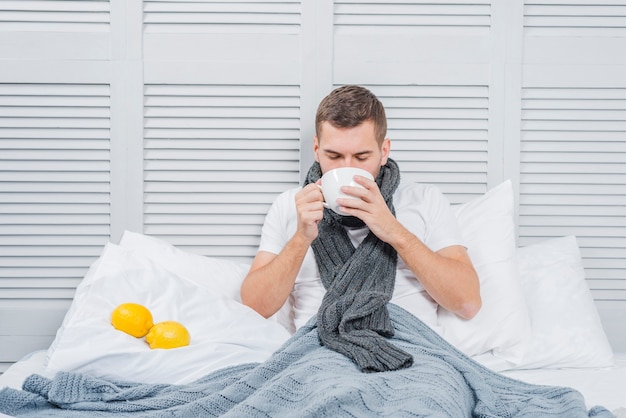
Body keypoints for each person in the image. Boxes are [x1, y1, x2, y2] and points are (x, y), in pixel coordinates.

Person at [241, 85, 481, 342]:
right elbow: (254, 307)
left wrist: (393, 231)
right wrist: (301, 237)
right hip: (319, 348)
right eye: (333, 155)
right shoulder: (291, 205)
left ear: (384, 151)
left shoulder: (424, 200)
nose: (347, 168)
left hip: (412, 346)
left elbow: (467, 302)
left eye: (361, 156)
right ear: (316, 149)